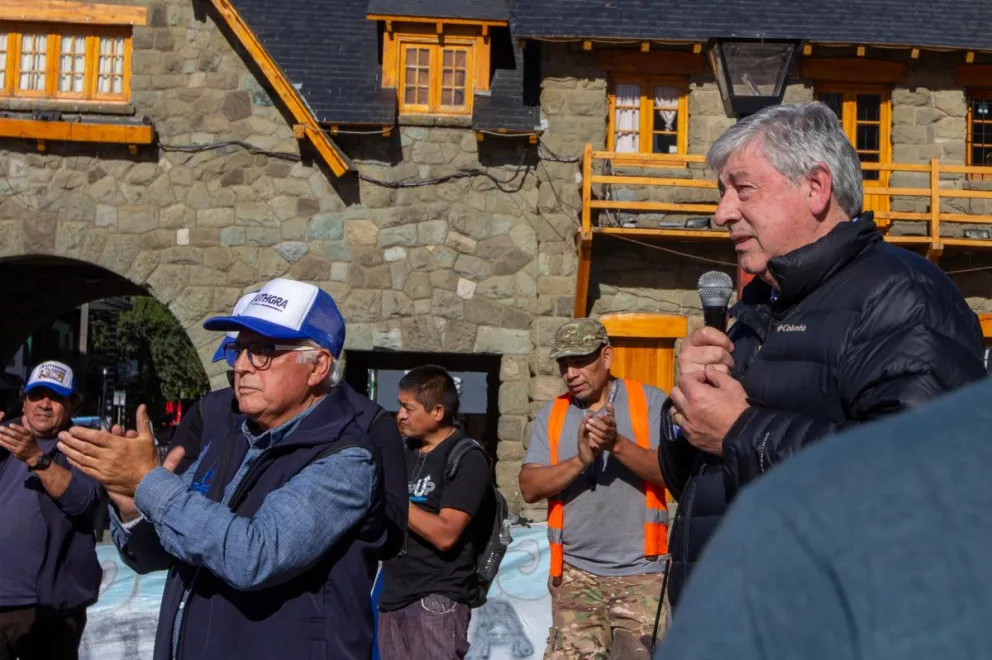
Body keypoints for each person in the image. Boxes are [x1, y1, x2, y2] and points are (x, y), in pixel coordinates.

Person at [658, 101, 987, 608]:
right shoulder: (755, 304)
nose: (721, 212)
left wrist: (740, 431)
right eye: (722, 193)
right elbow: (699, 489)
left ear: (815, 188)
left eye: (742, 189)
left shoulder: (902, 296)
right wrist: (685, 411)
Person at [58, 278, 384, 660]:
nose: (242, 367)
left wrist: (149, 481)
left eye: (262, 351)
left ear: (317, 367)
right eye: (240, 350)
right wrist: (131, 505)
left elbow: (254, 556)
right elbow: (163, 551)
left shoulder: (346, 459)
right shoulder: (232, 437)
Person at [657, 376, 992, 660]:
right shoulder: (745, 319)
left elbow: (900, 479)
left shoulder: (906, 309)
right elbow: (686, 482)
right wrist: (681, 413)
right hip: (708, 601)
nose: (737, 294)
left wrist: (745, 432)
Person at [519, 318, 670, 658]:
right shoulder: (552, 414)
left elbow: (670, 474)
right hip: (574, 577)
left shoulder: (649, 402)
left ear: (606, 356)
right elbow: (529, 487)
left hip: (641, 574)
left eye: (579, 361)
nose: (570, 373)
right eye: (563, 364)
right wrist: (579, 461)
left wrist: (616, 444)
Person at [377, 365, 492, 660]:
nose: (400, 414)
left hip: (437, 599)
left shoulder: (466, 458)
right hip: (392, 596)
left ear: (438, 412)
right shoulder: (402, 452)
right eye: (400, 405)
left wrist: (392, 498)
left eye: (408, 407)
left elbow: (445, 534)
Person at [0, 361, 102, 660]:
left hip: (49, 607)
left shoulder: (83, 445)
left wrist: (34, 457)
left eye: (55, 397)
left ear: (72, 404)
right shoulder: (4, 434)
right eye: (37, 395)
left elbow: (83, 500)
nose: (44, 404)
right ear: (24, 399)